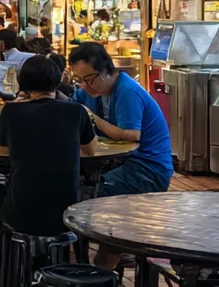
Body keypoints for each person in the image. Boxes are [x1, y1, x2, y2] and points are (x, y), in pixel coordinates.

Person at [0, 55, 99, 236]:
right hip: (66, 212)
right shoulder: (76, 111)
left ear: (23, 82)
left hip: (21, 210)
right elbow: (92, 150)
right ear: (57, 80)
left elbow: (4, 151)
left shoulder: (11, 111)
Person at [68, 41, 173, 197]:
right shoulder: (88, 92)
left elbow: (131, 135)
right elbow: (71, 107)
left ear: (105, 70)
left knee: (85, 192)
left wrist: (92, 118)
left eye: (89, 79)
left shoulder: (127, 92)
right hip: (116, 162)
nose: (84, 85)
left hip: (146, 169)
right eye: (79, 79)